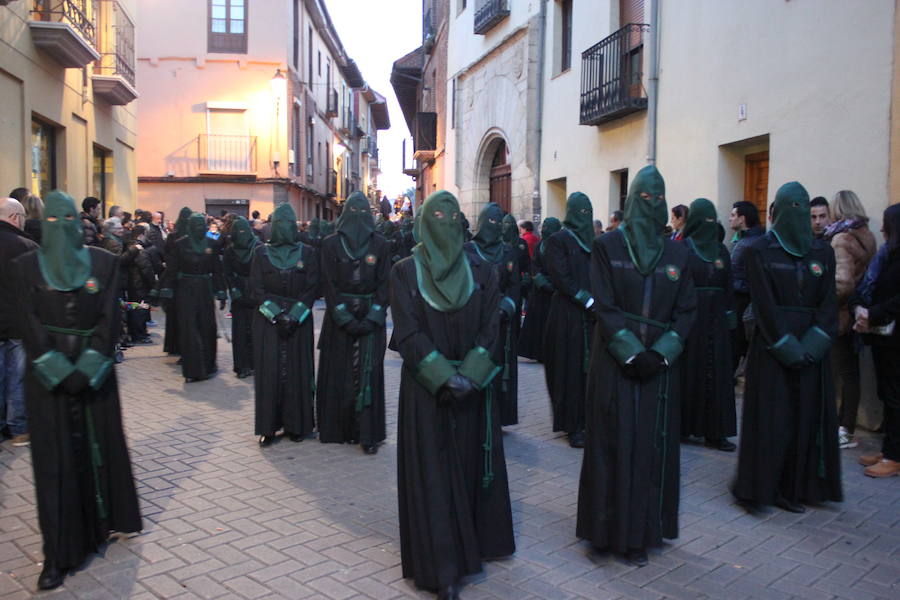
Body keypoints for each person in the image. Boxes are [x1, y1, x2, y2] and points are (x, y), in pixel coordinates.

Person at [10, 191, 141, 590]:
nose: (62, 227)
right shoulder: (24, 266)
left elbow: (108, 317)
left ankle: (104, 523)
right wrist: (57, 371)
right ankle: (59, 551)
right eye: (53, 220)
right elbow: (27, 324)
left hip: (95, 374)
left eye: (69, 219)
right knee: (55, 464)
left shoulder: (103, 262)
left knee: (101, 450)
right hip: (47, 382)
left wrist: (87, 368)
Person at [392, 190, 514, 599]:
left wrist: (472, 376)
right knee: (434, 475)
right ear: (425, 223)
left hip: (472, 389)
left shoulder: (482, 268)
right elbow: (407, 332)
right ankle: (441, 566)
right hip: (429, 393)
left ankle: (478, 542)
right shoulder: (405, 271)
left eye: (450, 218)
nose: (444, 226)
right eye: (436, 218)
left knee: (469, 466)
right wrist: (445, 377)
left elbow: (492, 326)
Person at [576, 165, 696, 567]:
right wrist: (629, 351)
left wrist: (661, 354)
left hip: (658, 373)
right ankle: (602, 532)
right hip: (614, 364)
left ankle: (641, 534)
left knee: (650, 448)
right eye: (645, 196)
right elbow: (604, 306)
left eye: (659, 197)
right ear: (631, 200)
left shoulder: (679, 252)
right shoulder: (607, 247)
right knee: (610, 444)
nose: (653, 204)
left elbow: (686, 310)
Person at [733, 182, 842, 513]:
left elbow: (827, 304)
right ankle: (764, 487)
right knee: (773, 421)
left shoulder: (823, 253)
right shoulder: (759, 251)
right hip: (773, 349)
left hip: (812, 352)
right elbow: (763, 304)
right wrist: (786, 345)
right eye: (792, 208)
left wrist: (813, 345)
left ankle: (799, 486)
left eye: (803, 207)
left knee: (805, 420)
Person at [317, 192, 391, 454]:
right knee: (340, 374)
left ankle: (368, 433)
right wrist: (343, 316)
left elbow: (385, 284)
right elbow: (328, 284)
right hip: (340, 320)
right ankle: (339, 428)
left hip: (371, 319)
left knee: (368, 373)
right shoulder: (330, 244)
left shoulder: (381, 245)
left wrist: (374, 315)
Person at [251, 203, 319, 446]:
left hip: (298, 322)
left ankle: (298, 424)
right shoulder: (260, 253)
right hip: (268, 322)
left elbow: (312, 287)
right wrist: (276, 315)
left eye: (289, 224)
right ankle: (268, 427)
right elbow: (257, 289)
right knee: (269, 373)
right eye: (280, 224)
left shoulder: (308, 253)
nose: (285, 229)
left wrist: (295, 315)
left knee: (298, 372)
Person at [679, 198, 737, 451]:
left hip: (717, 322)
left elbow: (729, 284)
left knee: (719, 374)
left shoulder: (722, 251)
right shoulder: (684, 249)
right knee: (691, 370)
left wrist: (730, 313)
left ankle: (717, 431)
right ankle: (686, 426)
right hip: (693, 320)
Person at [821, 191, 876, 450]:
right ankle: (848, 426)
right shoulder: (866, 235)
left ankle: (839, 429)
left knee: (836, 373)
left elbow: (842, 283)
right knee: (851, 374)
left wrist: (824, 305)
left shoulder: (841, 238)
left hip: (840, 316)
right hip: (857, 313)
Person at [849, 204, 900, 477]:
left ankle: (895, 456)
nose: (882, 229)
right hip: (882, 336)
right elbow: (870, 287)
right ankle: (891, 448)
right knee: (887, 394)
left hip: (894, 337)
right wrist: (860, 309)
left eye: (887, 224)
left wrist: (873, 313)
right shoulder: (888, 255)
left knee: (895, 396)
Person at [543, 193, 594, 447]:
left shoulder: (595, 242)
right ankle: (571, 425)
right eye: (580, 211)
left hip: (592, 318)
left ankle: (589, 422)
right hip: (567, 315)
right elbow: (560, 276)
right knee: (568, 370)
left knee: (590, 373)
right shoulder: (558, 240)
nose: (584, 216)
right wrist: (584, 298)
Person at [466, 204, 521, 427]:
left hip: (501, 323)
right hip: (475, 321)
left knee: (499, 368)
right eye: (490, 222)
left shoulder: (508, 252)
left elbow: (514, 286)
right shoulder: (467, 250)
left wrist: (505, 308)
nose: (494, 227)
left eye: (498, 223)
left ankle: (498, 415)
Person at [159, 213, 226, 382]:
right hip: (185, 289)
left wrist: (221, 290)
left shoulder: (212, 244)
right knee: (188, 328)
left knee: (207, 327)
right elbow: (172, 269)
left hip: (204, 289)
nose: (199, 229)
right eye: (195, 225)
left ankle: (209, 365)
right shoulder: (180, 245)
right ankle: (192, 369)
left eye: (201, 225)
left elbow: (217, 269)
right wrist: (167, 288)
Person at [0, 198, 38, 447]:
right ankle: (19, 429)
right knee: (18, 376)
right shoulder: (26, 246)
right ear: (16, 217)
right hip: (17, 322)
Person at [518, 217, 561, 362]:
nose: (545, 230)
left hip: (555, 293)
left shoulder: (560, 246)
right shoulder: (540, 245)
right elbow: (534, 265)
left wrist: (555, 284)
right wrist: (540, 280)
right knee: (539, 325)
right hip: (541, 292)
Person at [729, 200, 765, 372]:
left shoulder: (747, 244)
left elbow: (733, 272)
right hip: (745, 300)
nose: (730, 219)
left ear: (742, 219)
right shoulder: (748, 240)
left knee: (735, 349)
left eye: (733, 215)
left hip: (743, 302)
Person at [224, 217, 259, 379]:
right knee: (240, 332)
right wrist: (233, 289)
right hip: (239, 295)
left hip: (255, 294)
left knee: (255, 331)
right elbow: (227, 273)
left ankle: (256, 364)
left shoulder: (258, 247)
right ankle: (242, 366)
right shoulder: (230, 251)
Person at [159, 207, 192, 356]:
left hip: (173, 279)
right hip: (187, 280)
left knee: (173, 314)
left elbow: (167, 256)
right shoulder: (193, 236)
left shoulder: (173, 236)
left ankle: (173, 345)